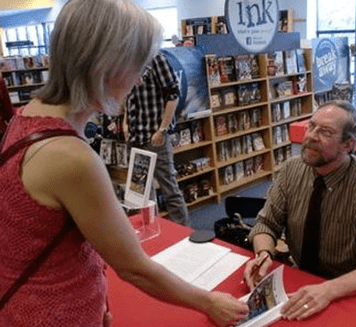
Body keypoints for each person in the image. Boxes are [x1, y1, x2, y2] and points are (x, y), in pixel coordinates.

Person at [0, 1, 248, 326]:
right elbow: (134, 268)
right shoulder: (71, 157)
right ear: (108, 64)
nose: (140, 80)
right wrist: (209, 302)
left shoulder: (28, 116)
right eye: (138, 66)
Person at [243, 100, 356, 321]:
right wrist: (263, 254)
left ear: (349, 144)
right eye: (311, 126)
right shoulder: (291, 170)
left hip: (346, 290)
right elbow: (266, 223)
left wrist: (328, 290)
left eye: (325, 132)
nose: (311, 136)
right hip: (299, 278)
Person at [126, 51, 189, 225]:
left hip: (155, 138)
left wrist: (162, 129)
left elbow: (173, 94)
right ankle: (152, 232)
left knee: (170, 189)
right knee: (142, 194)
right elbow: (129, 96)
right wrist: (125, 124)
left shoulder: (155, 57)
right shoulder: (128, 58)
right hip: (135, 138)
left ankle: (184, 234)